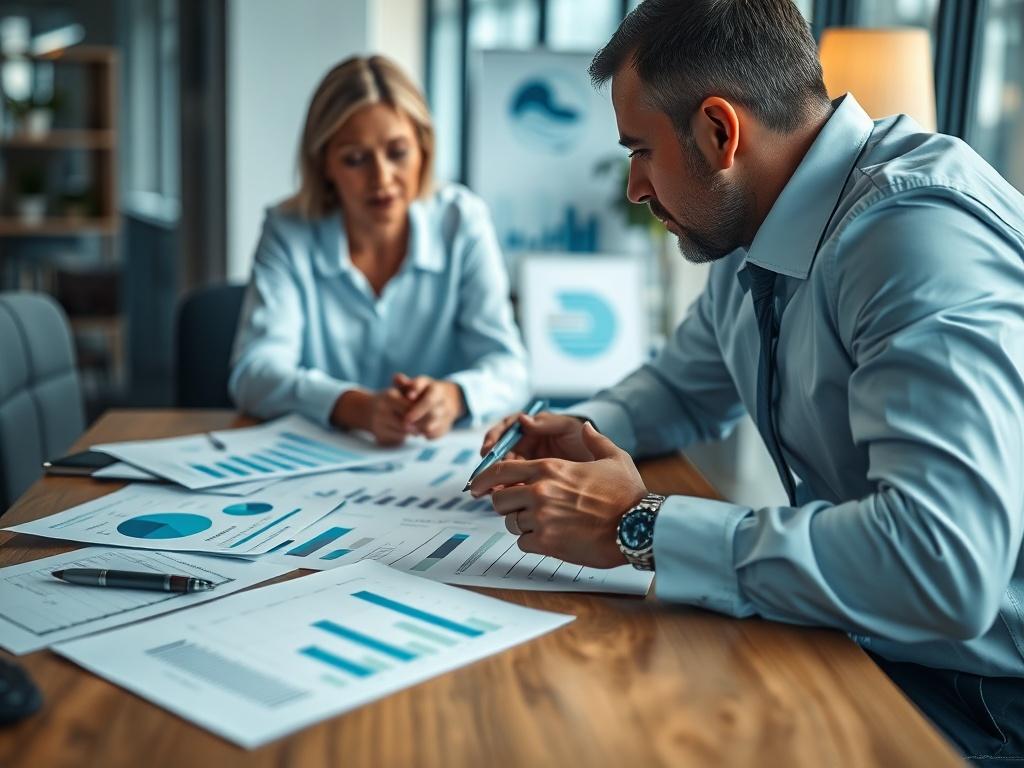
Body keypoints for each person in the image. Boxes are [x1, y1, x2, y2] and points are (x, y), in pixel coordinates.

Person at [470, 1, 1024, 762]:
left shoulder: (913, 236)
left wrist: (641, 524)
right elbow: (684, 385)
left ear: (718, 132)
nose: (634, 186)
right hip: (869, 640)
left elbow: (942, 561)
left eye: (640, 150)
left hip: (985, 700)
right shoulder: (755, 233)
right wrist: (581, 431)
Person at [230, 55, 529, 445]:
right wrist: (353, 406)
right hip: (317, 468)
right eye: (355, 159)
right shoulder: (289, 230)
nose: (382, 179)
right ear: (325, 165)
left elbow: (511, 369)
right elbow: (254, 373)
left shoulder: (462, 221)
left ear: (423, 149)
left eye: (398, 153)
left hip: (433, 467)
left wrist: (454, 398)